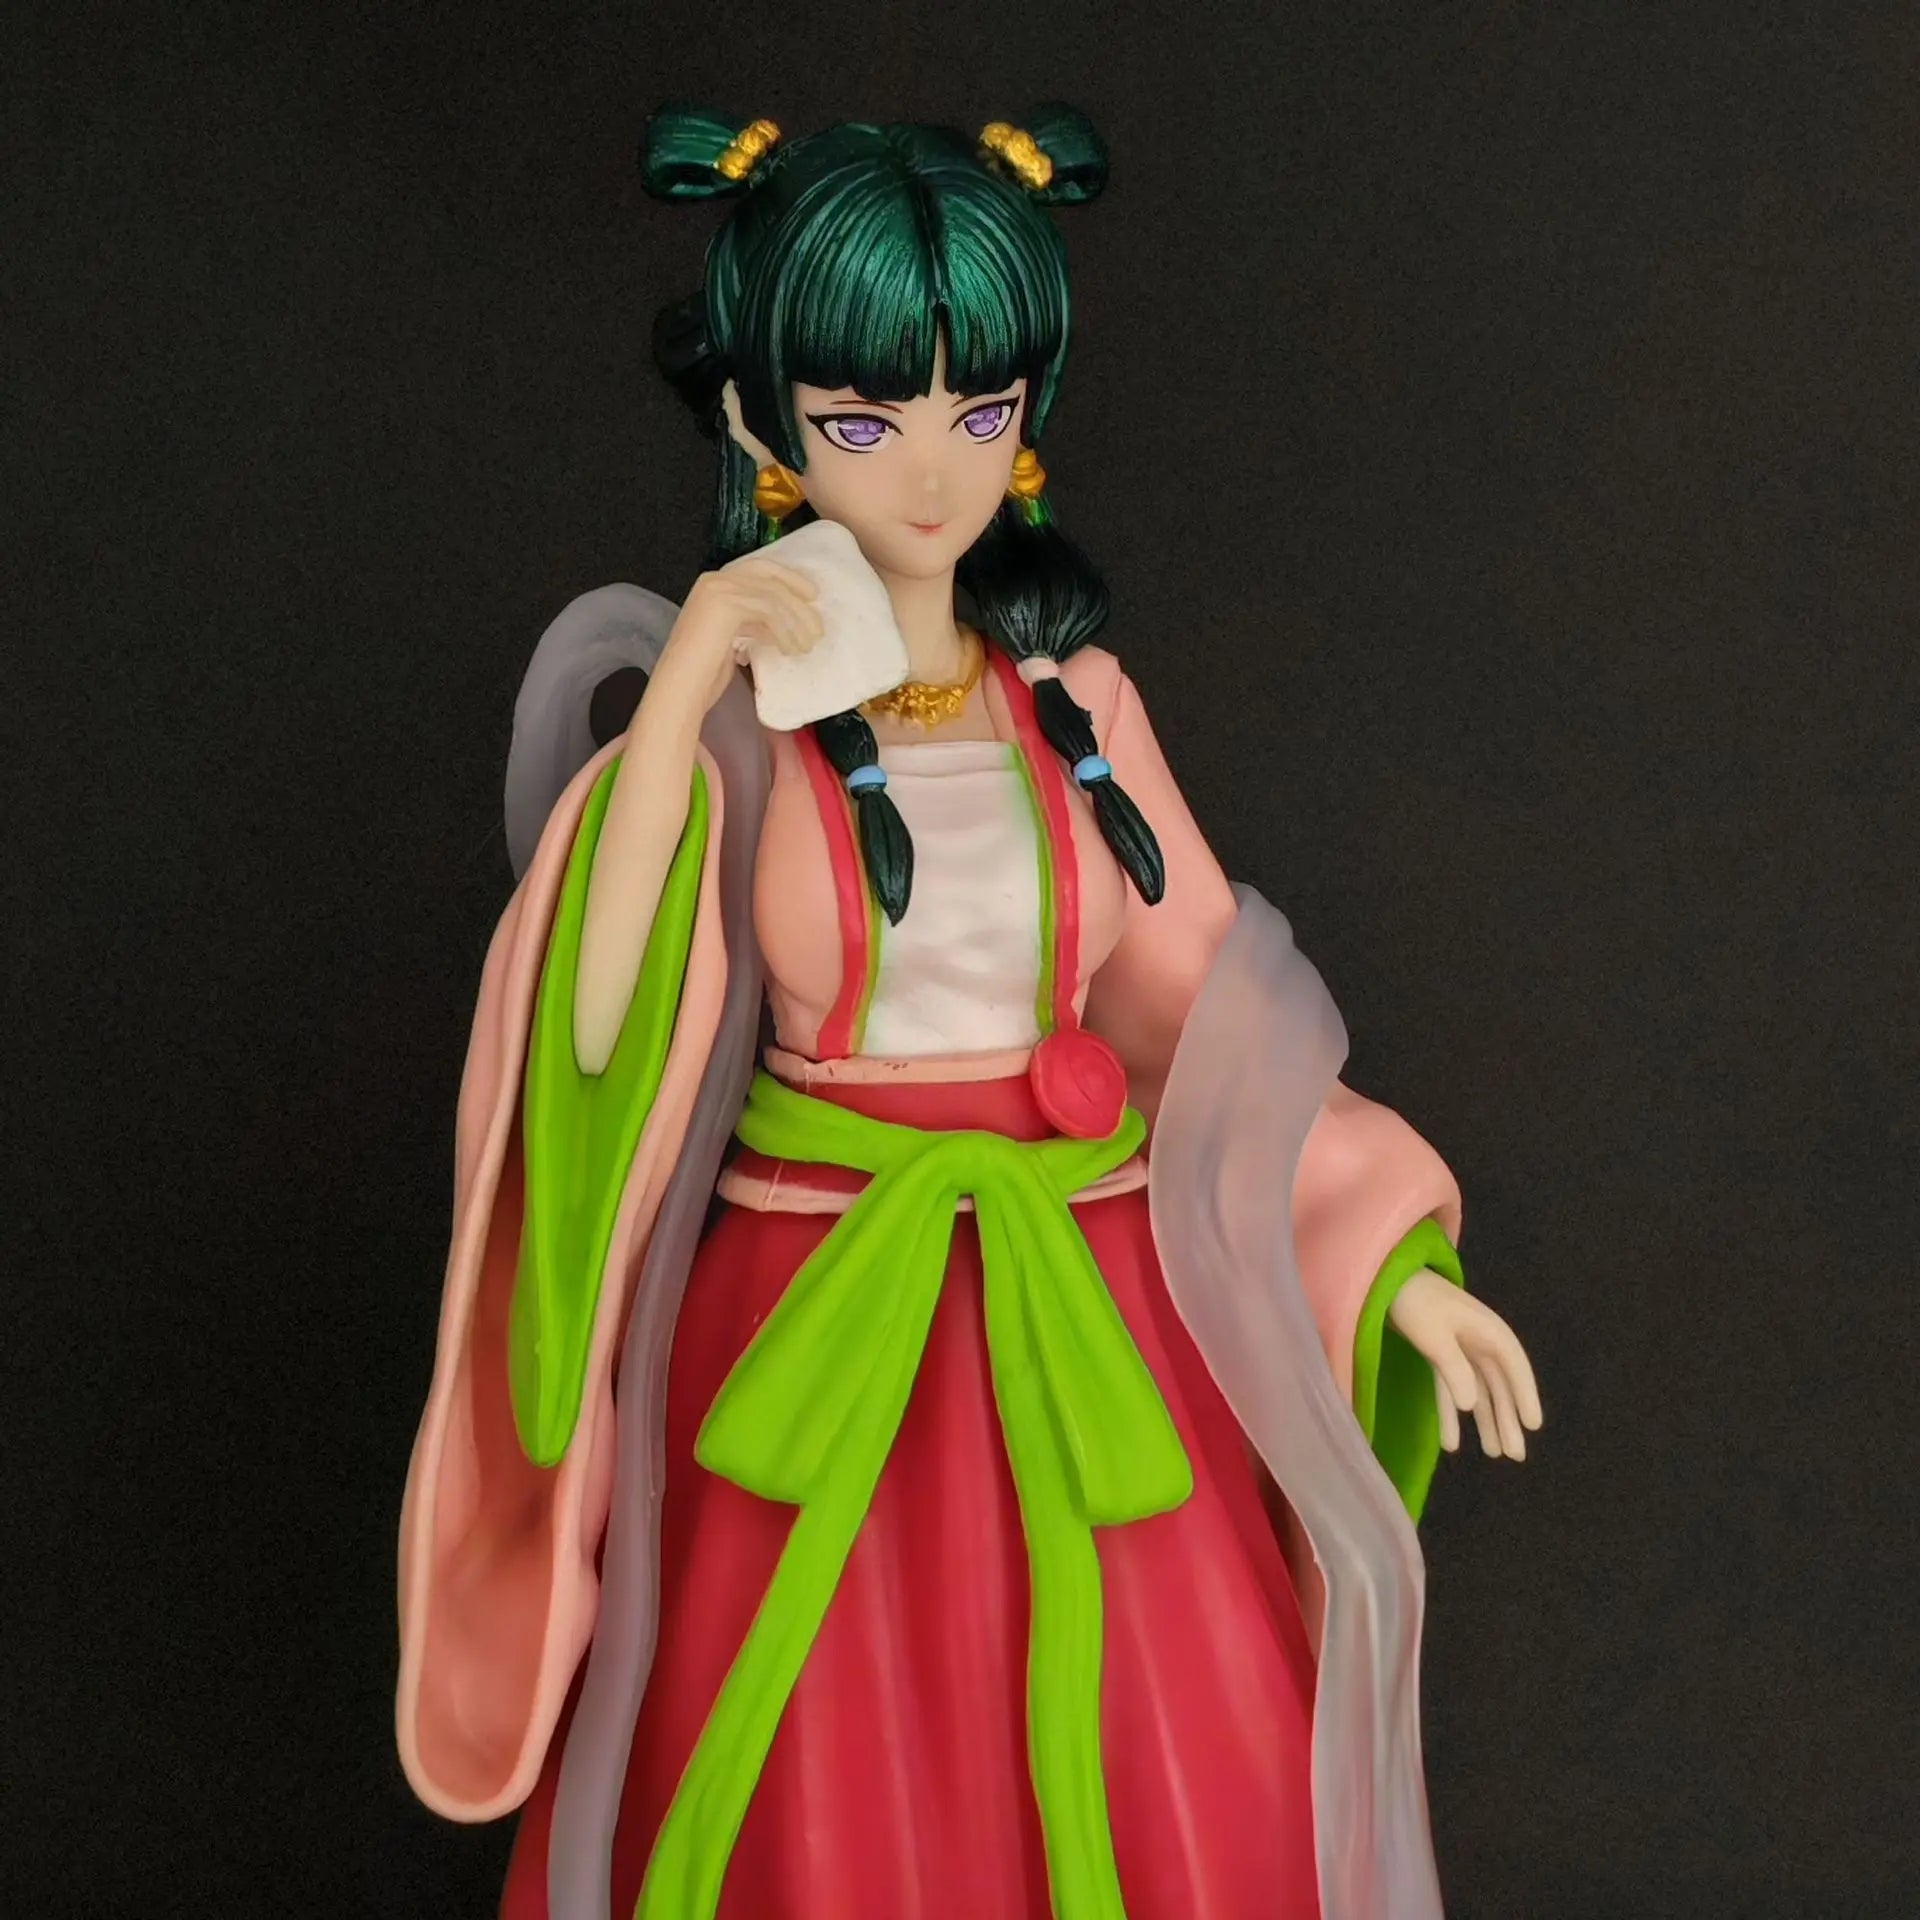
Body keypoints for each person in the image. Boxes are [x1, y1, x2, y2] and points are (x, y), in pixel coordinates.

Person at [396, 105, 1543, 1920]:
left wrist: (1387, 1258)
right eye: (865, 419)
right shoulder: (737, 744)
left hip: (1086, 1307)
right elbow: (595, 1031)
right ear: (765, 429)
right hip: (814, 1305)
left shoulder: (1080, 712)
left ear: (1025, 421)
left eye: (976, 409)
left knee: (1162, 1749)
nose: (930, 469)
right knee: (812, 1765)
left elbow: (1206, 1016)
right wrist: (690, 670)